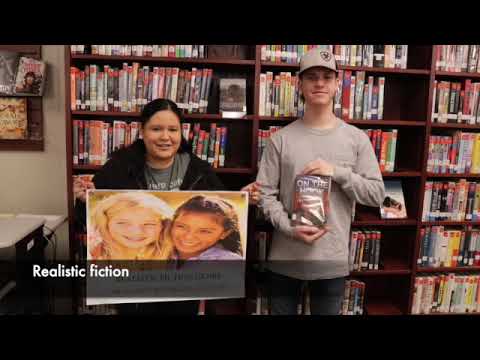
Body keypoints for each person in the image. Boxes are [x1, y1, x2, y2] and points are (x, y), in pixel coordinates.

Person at [255, 48, 385, 315]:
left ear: (337, 84)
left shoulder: (356, 138)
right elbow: (264, 196)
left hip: (331, 261)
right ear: (300, 85)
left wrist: (337, 172)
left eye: (327, 77)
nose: (319, 83)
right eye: (311, 77)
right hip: (285, 260)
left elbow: (376, 194)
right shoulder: (281, 139)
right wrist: (290, 227)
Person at [74, 98, 232, 315]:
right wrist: (83, 199)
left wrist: (247, 199)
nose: (165, 137)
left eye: (173, 129)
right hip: (132, 283)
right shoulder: (119, 167)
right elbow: (89, 220)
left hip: (183, 284)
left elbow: (226, 213)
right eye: (156, 129)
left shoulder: (200, 170)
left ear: (181, 133)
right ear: (143, 131)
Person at [88, 192, 174, 260]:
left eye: (149, 224)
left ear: (163, 226)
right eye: (122, 223)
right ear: (106, 223)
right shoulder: (92, 252)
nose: (136, 232)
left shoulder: (173, 254)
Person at [170, 195, 243, 260]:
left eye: (204, 231)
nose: (189, 237)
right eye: (181, 226)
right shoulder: (165, 253)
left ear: (225, 233)